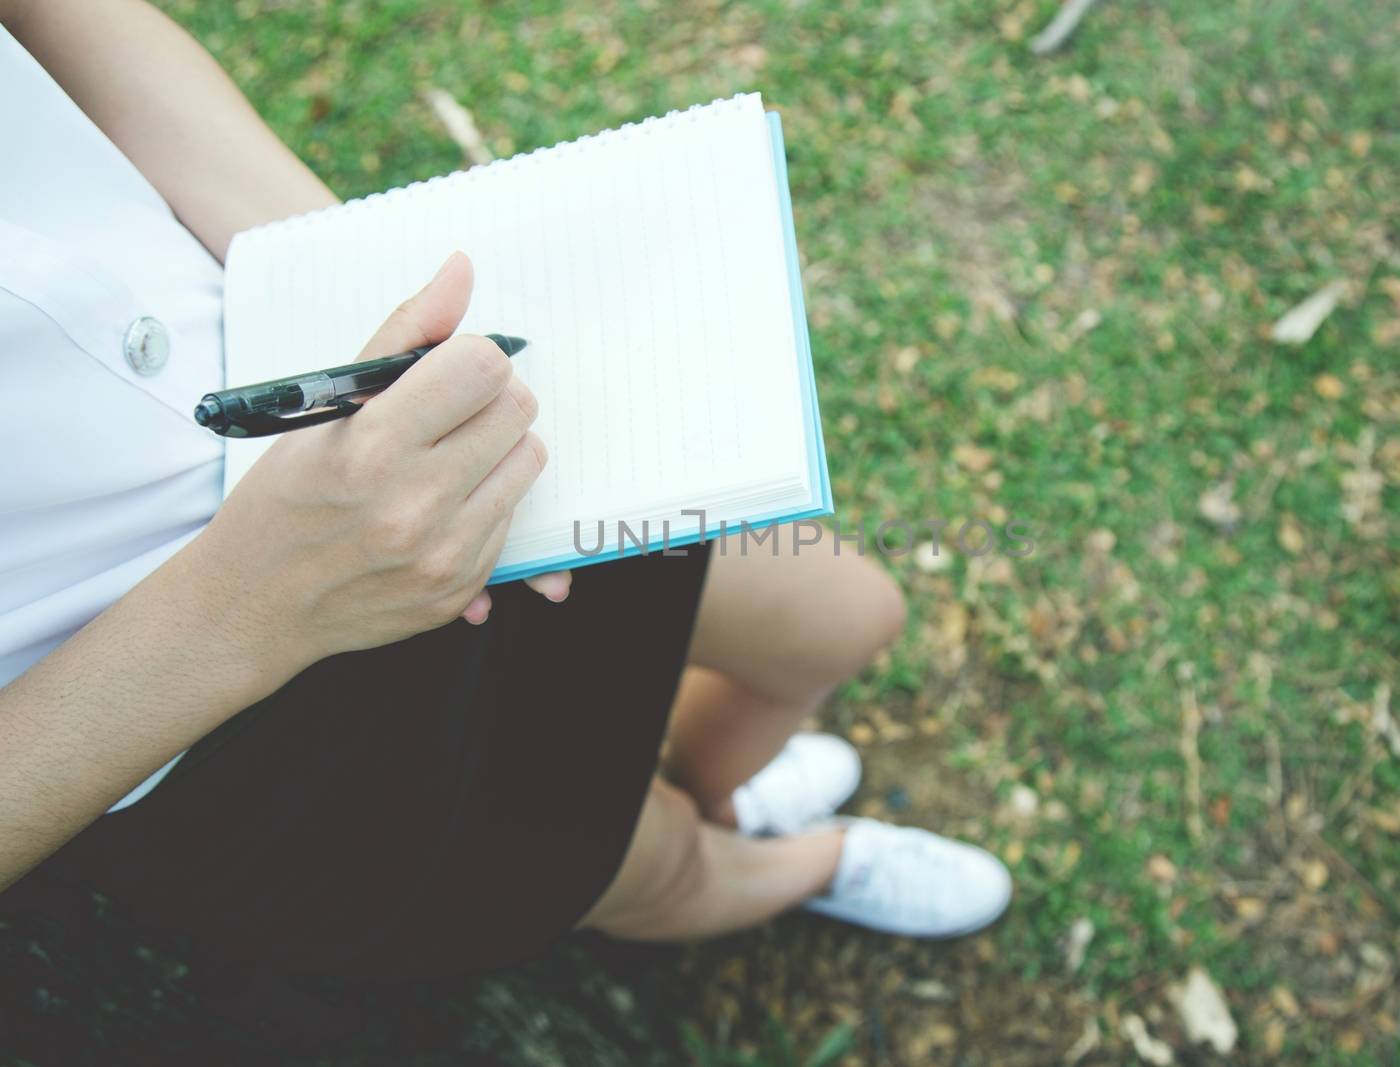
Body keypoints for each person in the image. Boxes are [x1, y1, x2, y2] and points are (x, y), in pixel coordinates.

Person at [0, 0, 1010, 981]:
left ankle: (716, 794)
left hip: (415, 418)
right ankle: (798, 861)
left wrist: (343, 270)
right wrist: (251, 602)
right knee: (646, 860)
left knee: (842, 618)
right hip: (190, 721)